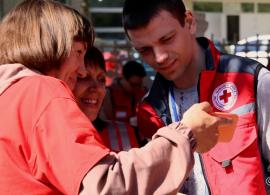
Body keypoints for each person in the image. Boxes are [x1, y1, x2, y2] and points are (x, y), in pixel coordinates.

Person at [0, 0, 230, 194]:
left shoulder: (10, 94)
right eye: (79, 52)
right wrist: (186, 134)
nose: (81, 70)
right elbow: (106, 183)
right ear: (49, 45)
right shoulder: (42, 91)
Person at [122, 0, 270, 194]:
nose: (159, 57)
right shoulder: (149, 110)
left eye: (166, 39)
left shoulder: (252, 81)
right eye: (144, 50)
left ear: (189, 23)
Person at [73, 46, 140, 151]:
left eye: (101, 79)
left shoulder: (127, 135)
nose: (96, 88)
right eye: (84, 77)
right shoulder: (46, 138)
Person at [101, 60, 147, 125]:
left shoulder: (144, 92)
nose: (136, 88)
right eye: (133, 85)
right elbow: (107, 121)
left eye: (139, 85)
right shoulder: (109, 94)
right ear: (123, 78)